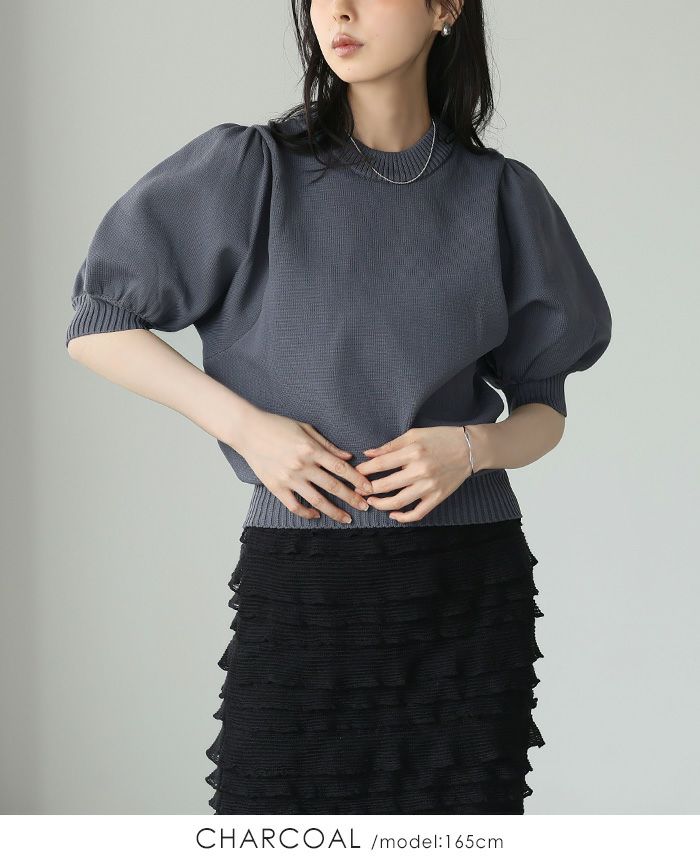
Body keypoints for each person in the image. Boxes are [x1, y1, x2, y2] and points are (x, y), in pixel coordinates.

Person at [65, 0, 612, 815]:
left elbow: (543, 408)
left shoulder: (501, 195)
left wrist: (472, 449)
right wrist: (249, 430)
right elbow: (98, 325)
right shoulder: (253, 170)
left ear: (445, 8)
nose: (340, 11)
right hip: (306, 578)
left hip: (466, 586)